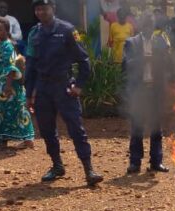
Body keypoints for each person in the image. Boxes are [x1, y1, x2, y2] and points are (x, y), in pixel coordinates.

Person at [25, 0, 104, 185]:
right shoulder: (34, 33)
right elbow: (30, 66)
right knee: (47, 130)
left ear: (53, 9)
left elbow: (84, 61)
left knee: (76, 129)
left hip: (64, 87)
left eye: (44, 8)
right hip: (43, 89)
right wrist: (29, 95)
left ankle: (89, 169)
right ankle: (57, 166)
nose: (40, 12)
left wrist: (79, 85)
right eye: (37, 9)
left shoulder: (67, 30)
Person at [123, 14, 170, 174]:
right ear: (141, 26)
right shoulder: (131, 42)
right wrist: (144, 59)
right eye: (146, 24)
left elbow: (167, 63)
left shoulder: (161, 41)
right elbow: (126, 64)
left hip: (155, 89)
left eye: (151, 24)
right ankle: (135, 162)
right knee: (137, 126)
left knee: (156, 127)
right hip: (139, 90)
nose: (149, 27)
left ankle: (156, 162)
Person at [0, 17, 34, 149]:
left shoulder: (7, 45)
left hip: (8, 84)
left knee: (16, 110)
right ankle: (2, 138)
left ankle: (27, 139)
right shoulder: (2, 44)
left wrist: (8, 86)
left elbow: (11, 67)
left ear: (7, 31)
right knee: (3, 111)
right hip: (1, 82)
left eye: (0, 30)